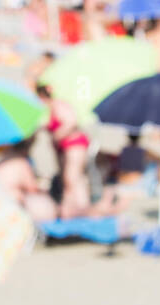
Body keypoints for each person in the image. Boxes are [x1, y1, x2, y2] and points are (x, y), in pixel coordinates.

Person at [36, 83, 118, 218]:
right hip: (65, 146)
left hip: (75, 144)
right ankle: (79, 206)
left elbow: (71, 122)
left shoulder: (58, 105)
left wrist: (57, 135)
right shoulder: (49, 108)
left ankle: (74, 209)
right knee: (73, 179)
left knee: (71, 177)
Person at [0, 141, 57, 223]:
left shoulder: (1, 161)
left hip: (1, 203)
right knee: (43, 205)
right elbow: (32, 188)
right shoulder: (20, 162)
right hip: (16, 206)